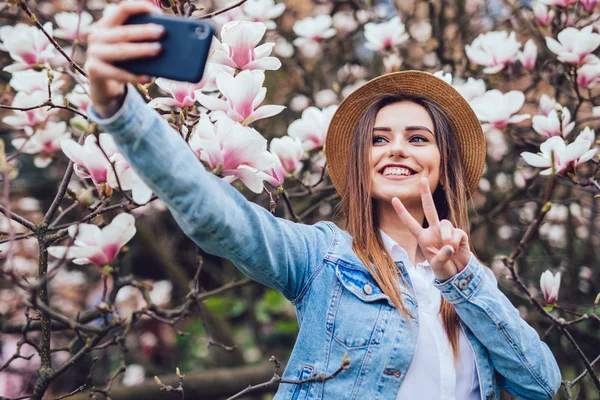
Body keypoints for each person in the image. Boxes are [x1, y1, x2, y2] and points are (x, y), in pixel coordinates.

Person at [85, 3, 562, 399]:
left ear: (443, 163)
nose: (396, 148)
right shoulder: (323, 260)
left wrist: (463, 281)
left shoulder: (470, 286)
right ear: (360, 164)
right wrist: (120, 112)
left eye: (418, 138)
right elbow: (218, 217)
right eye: (378, 140)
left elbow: (541, 385)